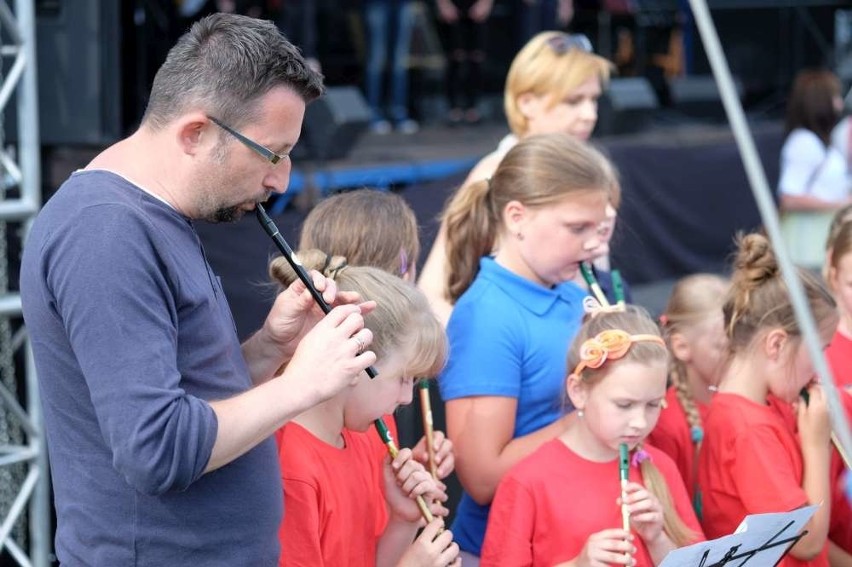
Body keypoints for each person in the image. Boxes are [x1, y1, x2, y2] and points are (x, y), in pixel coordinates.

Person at [19, 14, 375, 565]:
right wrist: (302, 384)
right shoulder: (106, 231)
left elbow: (187, 398)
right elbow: (156, 451)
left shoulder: (152, 215)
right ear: (195, 133)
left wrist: (268, 352)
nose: (281, 179)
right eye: (272, 152)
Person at [437, 133, 616, 564]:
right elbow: (481, 477)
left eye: (600, 228)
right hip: (513, 548)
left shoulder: (574, 295)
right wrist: (591, 413)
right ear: (517, 216)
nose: (595, 244)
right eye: (578, 228)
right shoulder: (487, 317)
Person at [270, 251, 460, 566]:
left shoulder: (363, 434)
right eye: (403, 378)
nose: (407, 398)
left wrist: (403, 519)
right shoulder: (290, 468)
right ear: (357, 362)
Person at [481, 306, 704, 566]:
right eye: (624, 405)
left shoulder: (660, 466)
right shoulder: (527, 481)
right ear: (578, 392)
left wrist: (658, 539)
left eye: (653, 404)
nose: (640, 422)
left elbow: (700, 560)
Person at [418, 30, 613, 325]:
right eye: (573, 101)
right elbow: (432, 293)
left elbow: (598, 286)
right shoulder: (492, 176)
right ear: (526, 103)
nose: (589, 114)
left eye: (593, 100)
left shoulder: (586, 173)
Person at [698, 233, 839, 566]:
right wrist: (817, 445)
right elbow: (805, 543)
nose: (821, 370)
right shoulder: (750, 430)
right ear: (776, 344)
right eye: (818, 352)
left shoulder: (763, 408)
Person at [298, 188, 455, 476]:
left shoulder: (369, 404)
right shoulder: (360, 402)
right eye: (404, 378)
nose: (406, 396)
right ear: (402, 273)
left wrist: (401, 498)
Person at [647, 273, 728, 519]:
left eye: (742, 342)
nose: (737, 355)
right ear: (681, 346)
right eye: (723, 347)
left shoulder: (746, 405)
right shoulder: (666, 424)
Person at [778, 68, 851, 270]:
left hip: (822, 243)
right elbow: (790, 197)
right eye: (835, 97)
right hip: (807, 248)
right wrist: (839, 204)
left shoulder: (823, 142)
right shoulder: (804, 143)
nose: (840, 103)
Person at [363, 0, 419, 134]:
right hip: (377, 3)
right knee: (376, 60)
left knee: (399, 61)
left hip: (403, 4)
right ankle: (373, 114)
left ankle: (399, 113)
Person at [435, 0, 493, 126]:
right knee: (455, 57)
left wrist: (485, 3)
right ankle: (453, 107)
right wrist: (443, 4)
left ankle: (473, 106)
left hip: (477, 6)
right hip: (452, 6)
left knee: (476, 58)